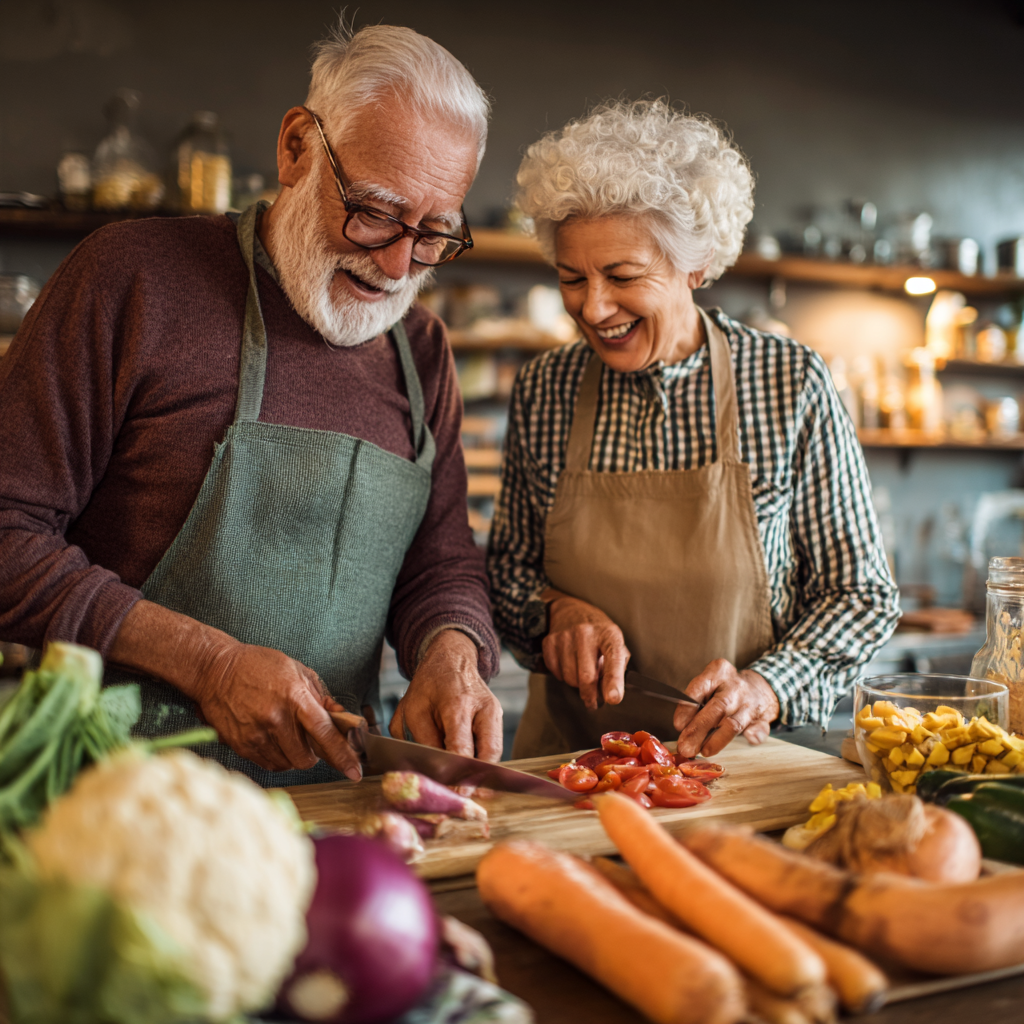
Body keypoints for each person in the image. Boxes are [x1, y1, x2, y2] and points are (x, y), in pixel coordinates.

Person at [0, 22, 505, 785]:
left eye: (434, 233)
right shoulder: (130, 280)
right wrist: (208, 663)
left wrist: (451, 652)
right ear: (297, 148)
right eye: (374, 211)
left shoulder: (422, 350)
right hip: (111, 801)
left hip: (336, 812)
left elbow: (440, 560)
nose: (398, 265)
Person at [488, 100, 900, 759]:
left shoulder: (789, 382)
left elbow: (862, 595)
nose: (593, 308)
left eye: (622, 276)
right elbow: (506, 570)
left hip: (746, 765)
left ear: (696, 264)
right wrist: (555, 614)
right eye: (572, 278)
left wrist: (768, 686)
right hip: (575, 769)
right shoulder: (546, 388)